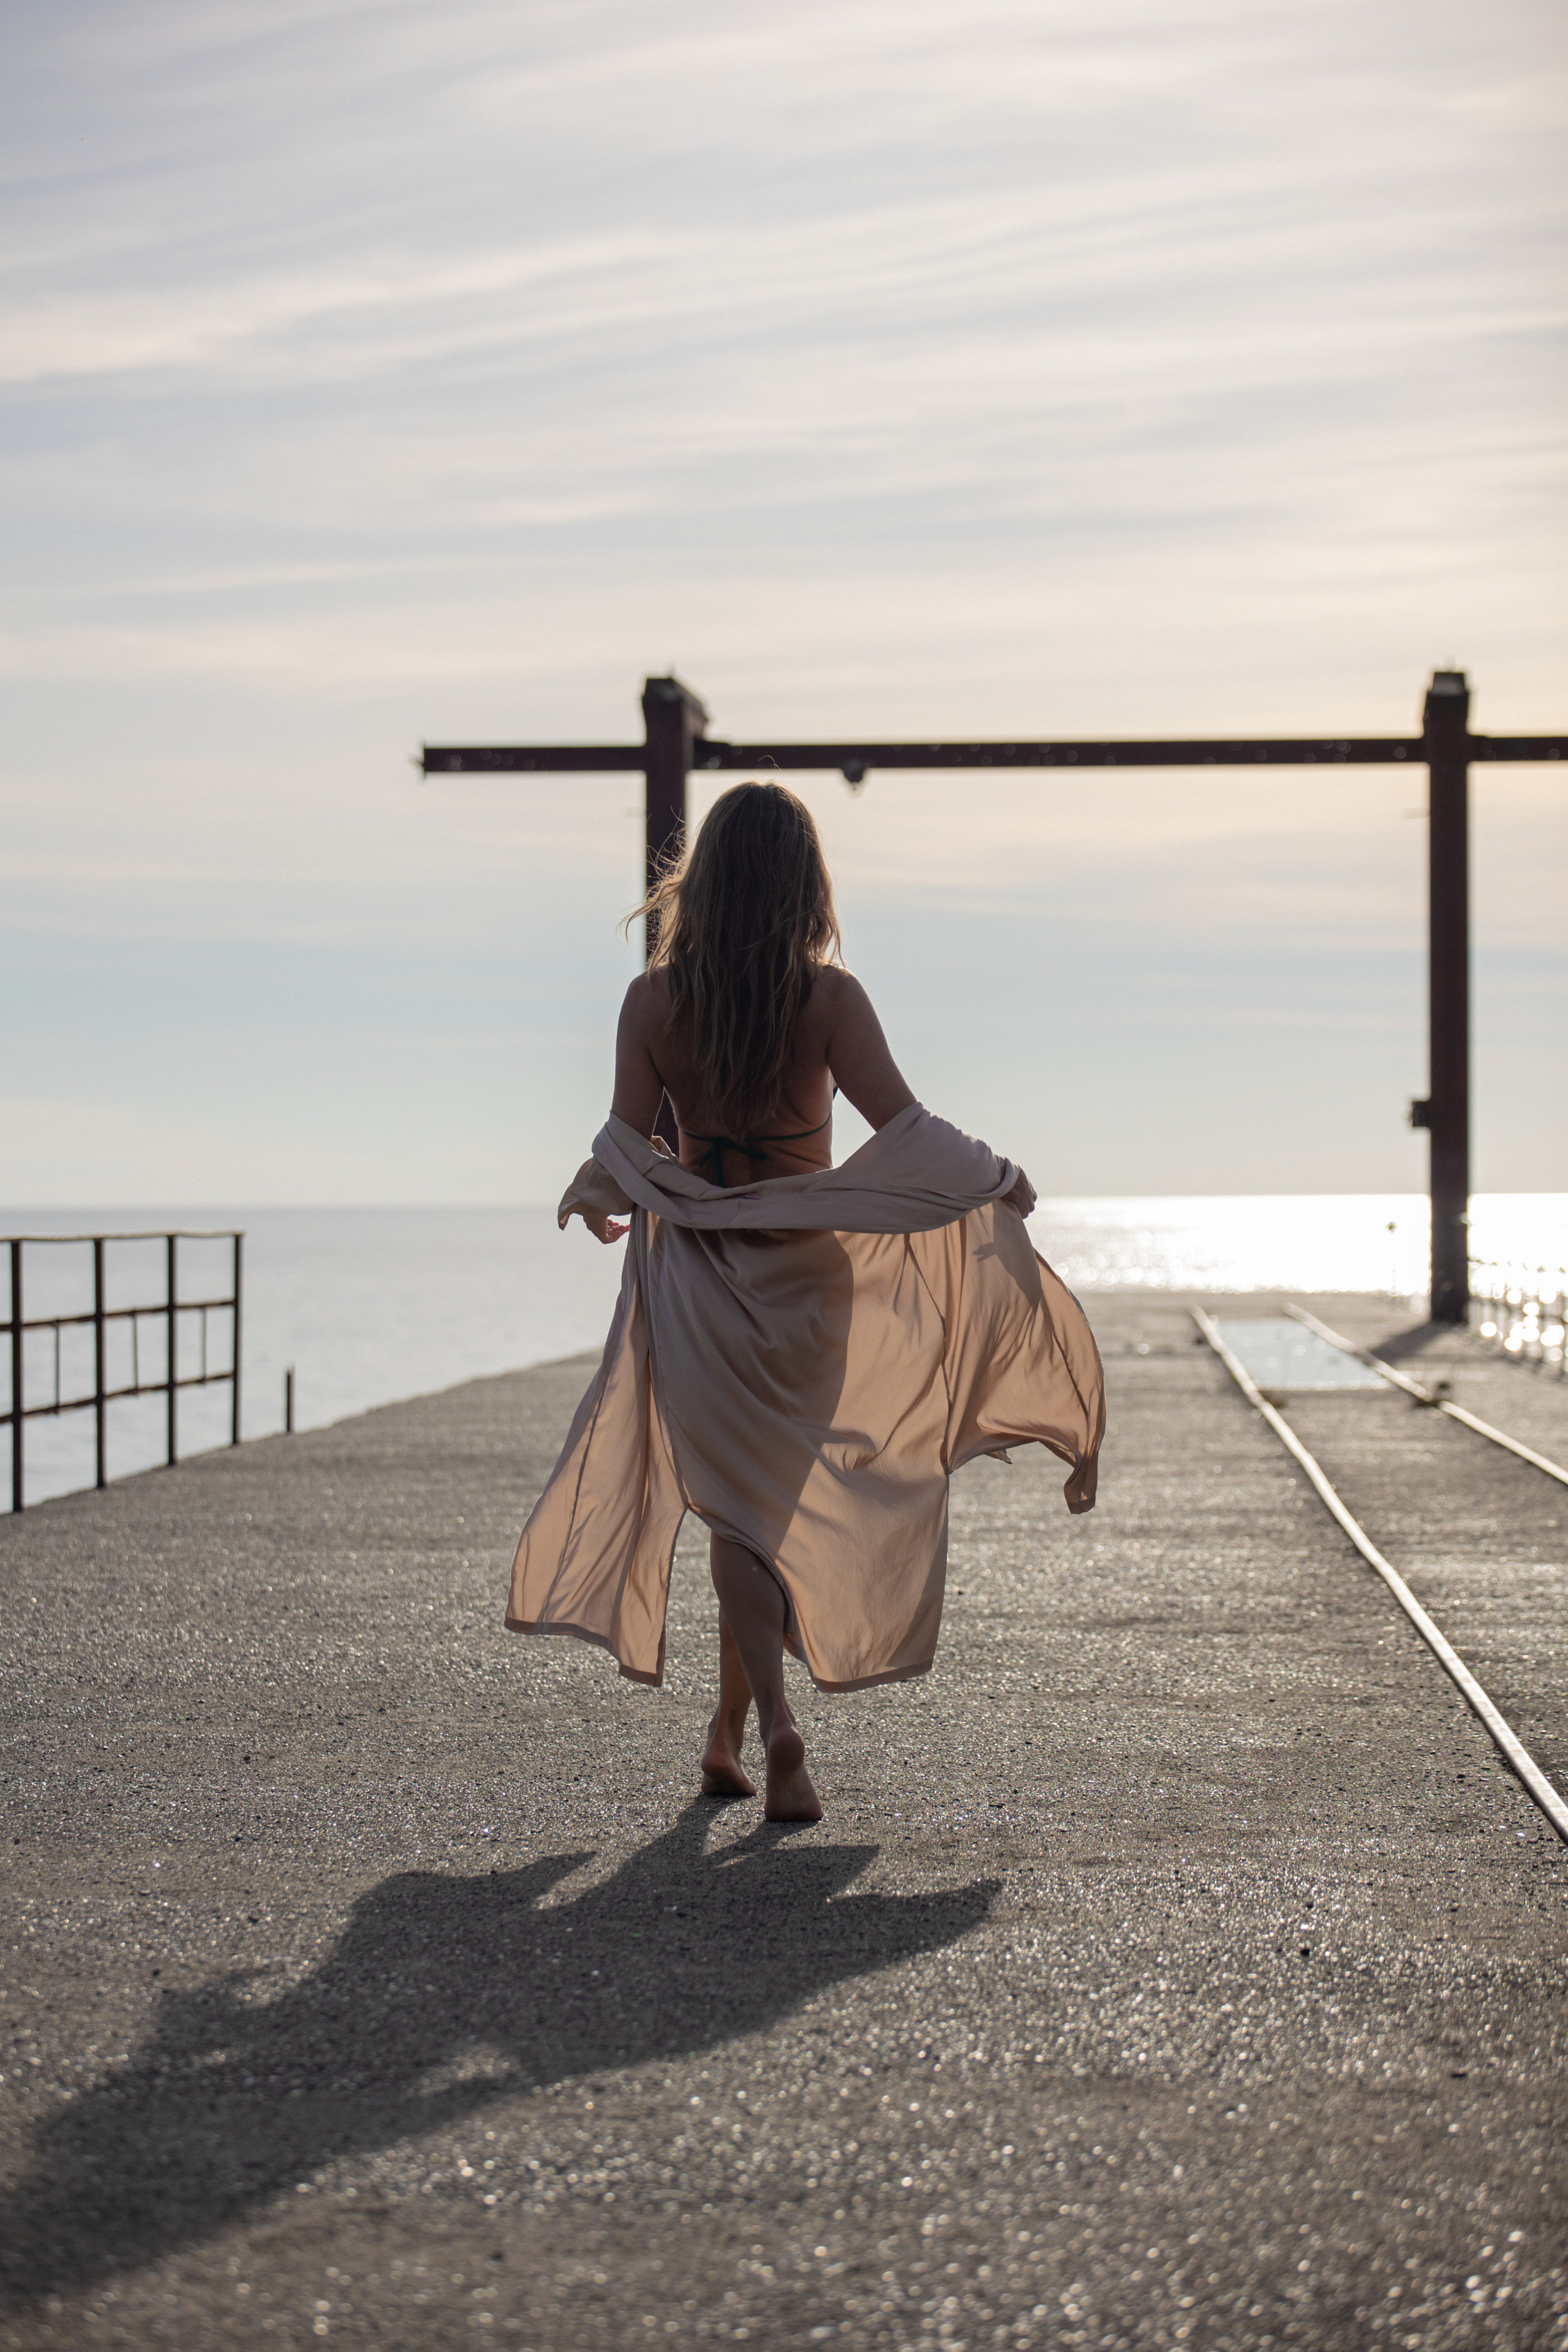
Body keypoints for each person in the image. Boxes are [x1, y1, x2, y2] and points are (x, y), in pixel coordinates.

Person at [507, 782, 1104, 1822]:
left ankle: (756, 1732)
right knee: (760, 1507)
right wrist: (997, 1176)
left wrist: (608, 1192)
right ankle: (749, 1735)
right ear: (803, 882)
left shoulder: (653, 1004)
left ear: (705, 879)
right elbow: (905, 1129)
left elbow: (626, 1140)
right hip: (806, 1283)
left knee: (735, 1514)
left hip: (699, 1276)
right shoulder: (827, 1001)